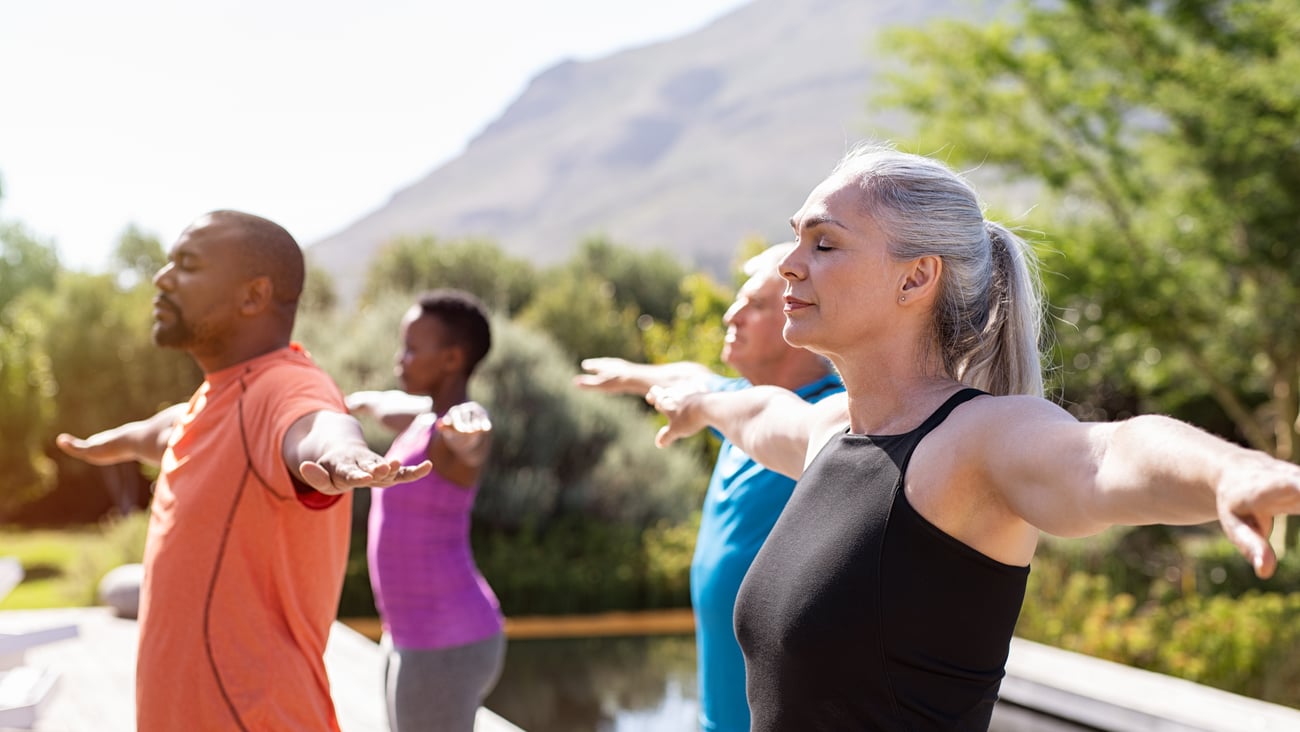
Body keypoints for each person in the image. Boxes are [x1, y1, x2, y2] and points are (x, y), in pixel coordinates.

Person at [645, 144, 1300, 731]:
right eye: (797, 240)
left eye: (823, 243)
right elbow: (756, 413)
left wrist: (1229, 470)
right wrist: (697, 401)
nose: (788, 265)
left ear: (915, 277)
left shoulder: (975, 441)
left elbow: (1108, 453)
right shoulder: (830, 431)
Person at [55, 210, 431, 732]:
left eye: (187, 265)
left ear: (253, 296)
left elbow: (317, 424)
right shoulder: (216, 398)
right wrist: (107, 444)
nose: (163, 279)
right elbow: (164, 429)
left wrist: (344, 456)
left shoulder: (284, 387)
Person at [575, 244, 843, 732]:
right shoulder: (736, 403)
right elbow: (692, 377)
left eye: (754, 305)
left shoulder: (830, 419)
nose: (730, 316)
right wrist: (633, 376)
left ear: (801, 320)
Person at [345, 289, 505, 732]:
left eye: (413, 348)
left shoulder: (453, 429)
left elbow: (470, 436)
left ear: (452, 359)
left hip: (446, 639)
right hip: (409, 634)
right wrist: (354, 402)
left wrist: (468, 431)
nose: (401, 358)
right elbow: (385, 404)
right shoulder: (422, 419)